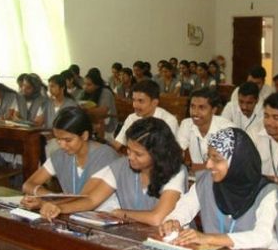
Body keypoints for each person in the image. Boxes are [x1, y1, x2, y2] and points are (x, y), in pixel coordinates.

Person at [40, 117, 187, 226]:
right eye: (128, 150)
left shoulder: (176, 172)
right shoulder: (121, 165)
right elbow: (91, 200)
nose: (130, 157)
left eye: (138, 154)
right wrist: (59, 208)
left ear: (157, 153)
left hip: (168, 239)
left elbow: (157, 218)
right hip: (134, 234)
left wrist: (121, 213)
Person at [161, 127, 278, 250]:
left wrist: (209, 239)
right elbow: (183, 209)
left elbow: (263, 237)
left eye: (217, 159)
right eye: (208, 157)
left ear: (238, 161)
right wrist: (172, 221)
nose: (208, 165)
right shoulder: (207, 181)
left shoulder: (268, 192)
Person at [21, 106, 119, 210]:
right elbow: (28, 185)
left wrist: (44, 202)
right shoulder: (61, 155)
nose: (62, 145)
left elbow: (83, 198)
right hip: (71, 212)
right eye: (58, 139)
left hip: (105, 215)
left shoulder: (105, 156)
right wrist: (49, 196)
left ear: (84, 135)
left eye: (68, 140)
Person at [177, 88, 234, 175]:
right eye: (192, 106)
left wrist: (193, 167)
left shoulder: (226, 129)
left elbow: (225, 164)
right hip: (196, 178)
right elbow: (176, 154)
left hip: (223, 178)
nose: (195, 112)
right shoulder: (186, 124)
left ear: (214, 110)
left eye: (201, 108)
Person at [112, 80, 178, 151]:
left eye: (141, 101)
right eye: (134, 100)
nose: (135, 105)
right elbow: (118, 143)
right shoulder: (132, 118)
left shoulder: (169, 120)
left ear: (154, 103)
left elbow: (165, 152)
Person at [80, 70, 117, 140]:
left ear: (97, 85)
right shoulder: (84, 93)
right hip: (92, 124)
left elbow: (103, 112)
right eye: (84, 84)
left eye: (89, 84)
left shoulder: (105, 92)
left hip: (108, 127)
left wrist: (86, 110)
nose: (85, 87)